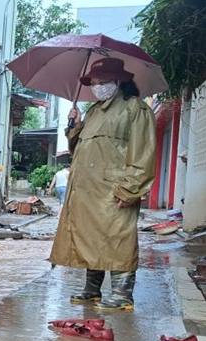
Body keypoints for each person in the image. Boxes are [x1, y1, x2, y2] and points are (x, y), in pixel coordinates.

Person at [51, 57, 156, 311]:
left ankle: (122, 294)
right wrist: (74, 126)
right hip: (87, 190)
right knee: (90, 237)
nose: (97, 86)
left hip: (114, 189)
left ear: (118, 82)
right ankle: (92, 289)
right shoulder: (93, 111)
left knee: (118, 238)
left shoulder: (135, 109)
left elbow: (143, 152)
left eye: (102, 81)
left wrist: (131, 188)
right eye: (94, 82)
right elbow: (78, 149)